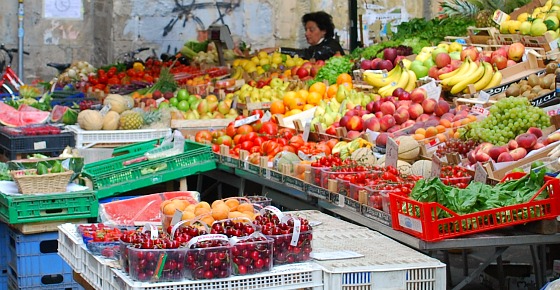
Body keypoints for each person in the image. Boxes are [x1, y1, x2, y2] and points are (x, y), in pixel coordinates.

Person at [261, 11, 345, 61]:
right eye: (306, 30)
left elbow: (307, 54)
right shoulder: (319, 45)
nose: (306, 33)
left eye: (311, 30)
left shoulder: (330, 47)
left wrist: (276, 50)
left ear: (323, 31)